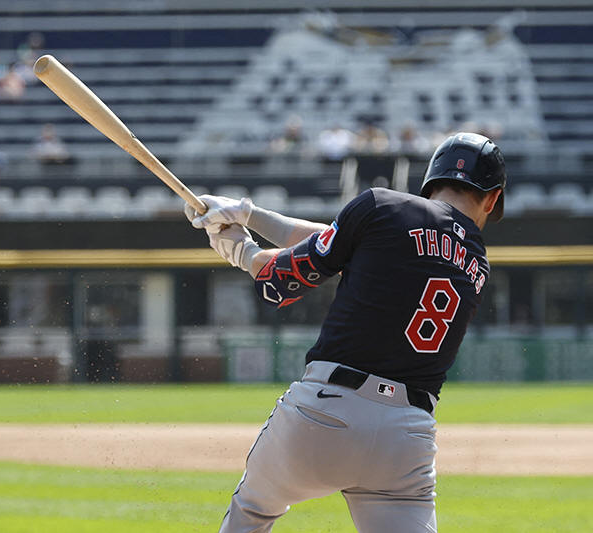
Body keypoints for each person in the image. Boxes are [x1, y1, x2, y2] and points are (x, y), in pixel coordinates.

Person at [184, 132, 506, 532]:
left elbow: (282, 280)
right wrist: (250, 214)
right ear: (492, 199)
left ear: (430, 180)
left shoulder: (381, 205)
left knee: (253, 511)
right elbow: (347, 242)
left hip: (325, 412)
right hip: (407, 440)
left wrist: (241, 251)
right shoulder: (477, 264)